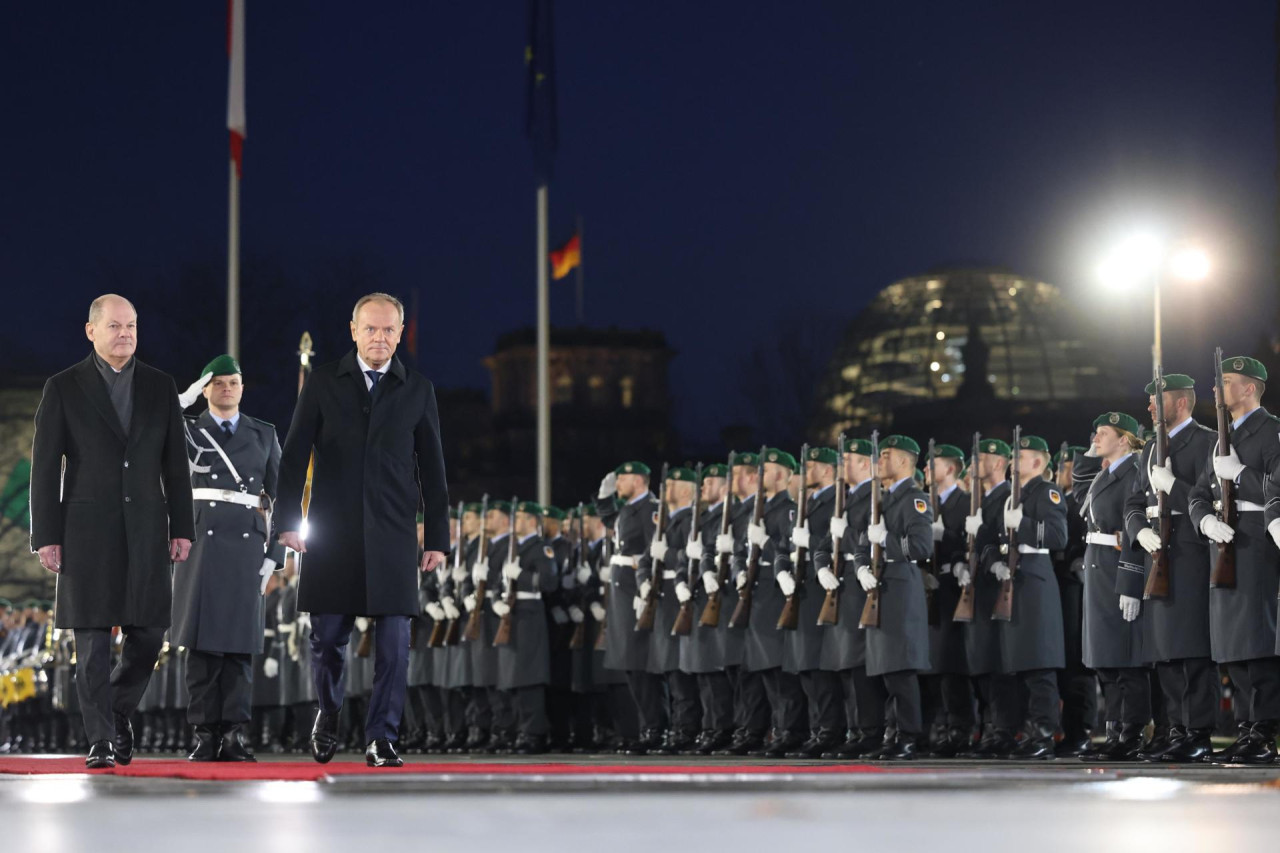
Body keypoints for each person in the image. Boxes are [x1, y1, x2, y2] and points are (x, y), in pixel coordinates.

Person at [276, 292, 449, 768]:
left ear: (399, 333)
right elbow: (293, 457)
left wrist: (437, 536)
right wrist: (288, 522)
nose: (380, 338)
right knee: (328, 639)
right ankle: (329, 711)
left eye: (389, 329)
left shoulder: (417, 389)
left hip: (393, 534)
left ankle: (382, 736)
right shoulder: (324, 382)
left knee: (394, 643)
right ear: (353, 331)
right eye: (371, 329)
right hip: (333, 533)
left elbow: (433, 470)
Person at [29, 294, 195, 769]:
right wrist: (47, 535)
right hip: (85, 530)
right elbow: (44, 468)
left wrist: (181, 526)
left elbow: (175, 467)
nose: (126, 334)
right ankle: (99, 739)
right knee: (93, 639)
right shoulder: (63, 387)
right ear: (91, 331)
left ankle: (116, 710)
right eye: (116, 326)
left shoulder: (160, 386)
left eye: (132, 326)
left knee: (150, 634)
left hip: (146, 526)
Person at [171, 354, 286, 762]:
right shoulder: (183, 429)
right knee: (201, 650)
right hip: (200, 542)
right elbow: (143, 428)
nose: (226, 388)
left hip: (246, 547)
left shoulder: (264, 433)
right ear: (204, 388)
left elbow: (282, 498)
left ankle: (234, 734)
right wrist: (179, 403)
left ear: (243, 386)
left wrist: (275, 555)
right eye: (217, 382)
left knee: (238, 649)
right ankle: (204, 733)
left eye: (233, 382)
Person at [1124, 374, 1217, 762]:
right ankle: (1175, 729)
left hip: (1189, 552)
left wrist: (1174, 485)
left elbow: (1210, 501)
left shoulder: (1207, 441)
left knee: (1192, 649)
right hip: (1155, 553)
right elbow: (1132, 502)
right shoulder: (1148, 451)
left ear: (1180, 403)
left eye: (1156, 399)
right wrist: (1137, 530)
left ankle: (1197, 733)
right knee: (1163, 650)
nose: (1148, 406)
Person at [1195, 356, 1280, 764]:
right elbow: (1197, 493)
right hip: (1224, 542)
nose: (1215, 389)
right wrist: (1204, 519)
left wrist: (1241, 473)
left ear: (1249, 388)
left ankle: (1262, 733)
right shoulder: (1221, 437)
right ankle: (1247, 729)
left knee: (1257, 643)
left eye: (1225, 381)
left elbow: (1277, 489)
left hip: (1257, 543)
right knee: (1233, 646)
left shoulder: (1272, 431)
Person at [1073, 412, 1149, 761]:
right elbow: (1080, 499)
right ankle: (1114, 731)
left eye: (1104, 433)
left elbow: (1134, 529)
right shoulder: (1107, 472)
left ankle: (1131, 733)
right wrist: (1086, 457)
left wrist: (1131, 580)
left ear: (1124, 440)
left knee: (1126, 660)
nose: (1096, 436)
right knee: (1105, 660)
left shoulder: (1133, 471)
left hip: (1117, 569)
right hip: (1099, 571)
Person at [985, 435, 1067, 759]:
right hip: (1012, 581)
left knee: (1039, 664)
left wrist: (1025, 524)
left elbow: (1058, 536)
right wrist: (992, 561)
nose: (1013, 463)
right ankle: (1025, 732)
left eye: (1020, 457)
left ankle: (1044, 735)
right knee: (1017, 664)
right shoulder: (1011, 496)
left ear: (1037, 463)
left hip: (1034, 579)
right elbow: (994, 537)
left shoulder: (1046, 492)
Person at [854, 435, 933, 760]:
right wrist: (860, 568)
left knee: (900, 669)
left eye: (885, 455)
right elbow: (862, 543)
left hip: (901, 585)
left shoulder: (915, 499)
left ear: (903, 461)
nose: (879, 461)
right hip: (878, 586)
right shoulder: (881, 499)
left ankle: (908, 735)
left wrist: (886, 539)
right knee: (882, 669)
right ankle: (888, 734)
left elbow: (921, 547)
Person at [812, 439, 887, 760]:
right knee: (845, 667)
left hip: (863, 587)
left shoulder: (877, 495)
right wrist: (820, 567)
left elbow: (875, 538)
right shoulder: (848, 497)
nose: (844, 465)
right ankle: (856, 730)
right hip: (841, 588)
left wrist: (848, 540)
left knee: (860, 666)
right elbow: (824, 546)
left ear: (868, 465)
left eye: (851, 459)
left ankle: (870, 732)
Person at [781, 447, 843, 758]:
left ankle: (829, 731)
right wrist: (781, 570)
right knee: (804, 668)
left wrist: (811, 546)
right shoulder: (804, 503)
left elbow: (839, 541)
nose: (808, 471)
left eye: (815, 466)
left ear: (830, 470)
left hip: (823, 590)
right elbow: (783, 543)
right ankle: (817, 729)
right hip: (799, 590)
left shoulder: (837, 502)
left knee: (821, 669)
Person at [595, 462, 661, 752]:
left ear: (638, 480)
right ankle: (647, 727)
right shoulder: (628, 508)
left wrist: (645, 589)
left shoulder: (649, 508)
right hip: (622, 593)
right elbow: (611, 520)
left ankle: (656, 728)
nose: (618, 482)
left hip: (636, 591)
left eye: (622, 478)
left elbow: (651, 551)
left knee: (642, 665)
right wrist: (604, 496)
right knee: (630, 666)